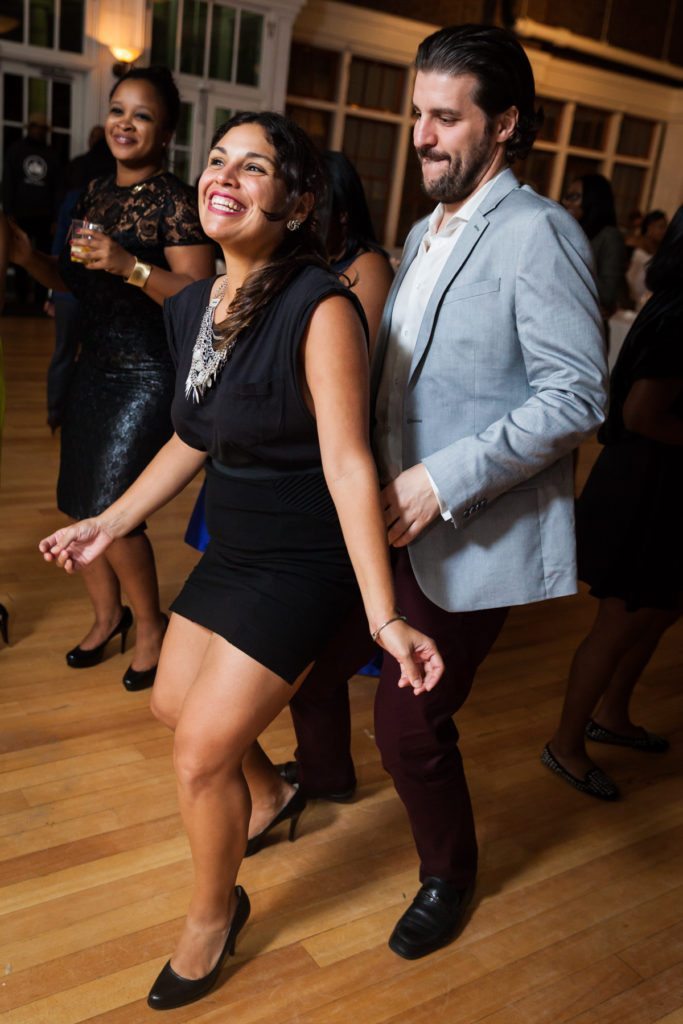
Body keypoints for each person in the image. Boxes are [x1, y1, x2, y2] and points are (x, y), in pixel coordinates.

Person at [38, 111, 443, 1011]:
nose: (226, 175)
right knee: (175, 711)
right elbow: (189, 439)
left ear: (295, 203)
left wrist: (382, 612)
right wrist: (109, 522)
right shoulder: (192, 307)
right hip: (237, 547)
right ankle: (267, 797)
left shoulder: (321, 305)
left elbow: (347, 465)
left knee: (197, 755)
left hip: (305, 560)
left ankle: (213, 916)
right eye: (218, 160)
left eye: (254, 168)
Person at [269, 23, 607, 961]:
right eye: (416, 113)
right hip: (378, 518)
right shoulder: (421, 232)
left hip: (469, 531)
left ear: (504, 126)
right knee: (307, 652)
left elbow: (577, 394)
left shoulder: (542, 234)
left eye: (443, 117)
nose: (420, 134)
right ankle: (324, 775)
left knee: (411, 722)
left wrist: (437, 480)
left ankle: (447, 874)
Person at [9, 67, 215, 690]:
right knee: (76, 501)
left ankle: (149, 628)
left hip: (148, 373)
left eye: (142, 114)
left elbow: (202, 300)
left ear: (167, 130)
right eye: (118, 110)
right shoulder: (94, 193)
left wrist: (130, 266)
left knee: (113, 511)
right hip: (92, 365)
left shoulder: (178, 202)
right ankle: (109, 617)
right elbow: (73, 281)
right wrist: (26, 258)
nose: (125, 123)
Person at [543, 207, 683, 801]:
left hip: (660, 484)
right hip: (645, 487)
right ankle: (567, 744)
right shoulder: (682, 313)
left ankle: (614, 714)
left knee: (658, 608)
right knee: (620, 619)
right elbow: (641, 413)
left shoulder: (672, 300)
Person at [46, 126, 117, 431]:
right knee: (91, 356)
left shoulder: (75, 193)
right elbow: (74, 252)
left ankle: (56, 414)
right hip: (91, 289)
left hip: (74, 290)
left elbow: (61, 245)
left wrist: (51, 292)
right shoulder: (103, 199)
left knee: (65, 351)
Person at [3, 112, 63, 308]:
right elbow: (8, 183)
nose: (39, 130)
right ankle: (20, 299)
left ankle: (38, 300)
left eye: (42, 128)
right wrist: (9, 211)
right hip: (21, 213)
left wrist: (56, 217)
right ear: (29, 128)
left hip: (45, 215)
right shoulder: (16, 150)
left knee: (43, 257)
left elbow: (58, 188)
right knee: (20, 257)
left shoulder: (52, 154)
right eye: (35, 126)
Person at [562, 173, 627, 323]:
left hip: (587, 325)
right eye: (567, 196)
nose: (566, 202)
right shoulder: (570, 231)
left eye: (575, 196)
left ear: (593, 199)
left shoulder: (609, 236)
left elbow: (607, 294)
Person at [626, 209, 668, 311]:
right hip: (629, 300)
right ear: (650, 227)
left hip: (648, 304)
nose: (664, 231)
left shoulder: (663, 250)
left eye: (665, 227)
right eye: (661, 227)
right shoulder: (633, 244)